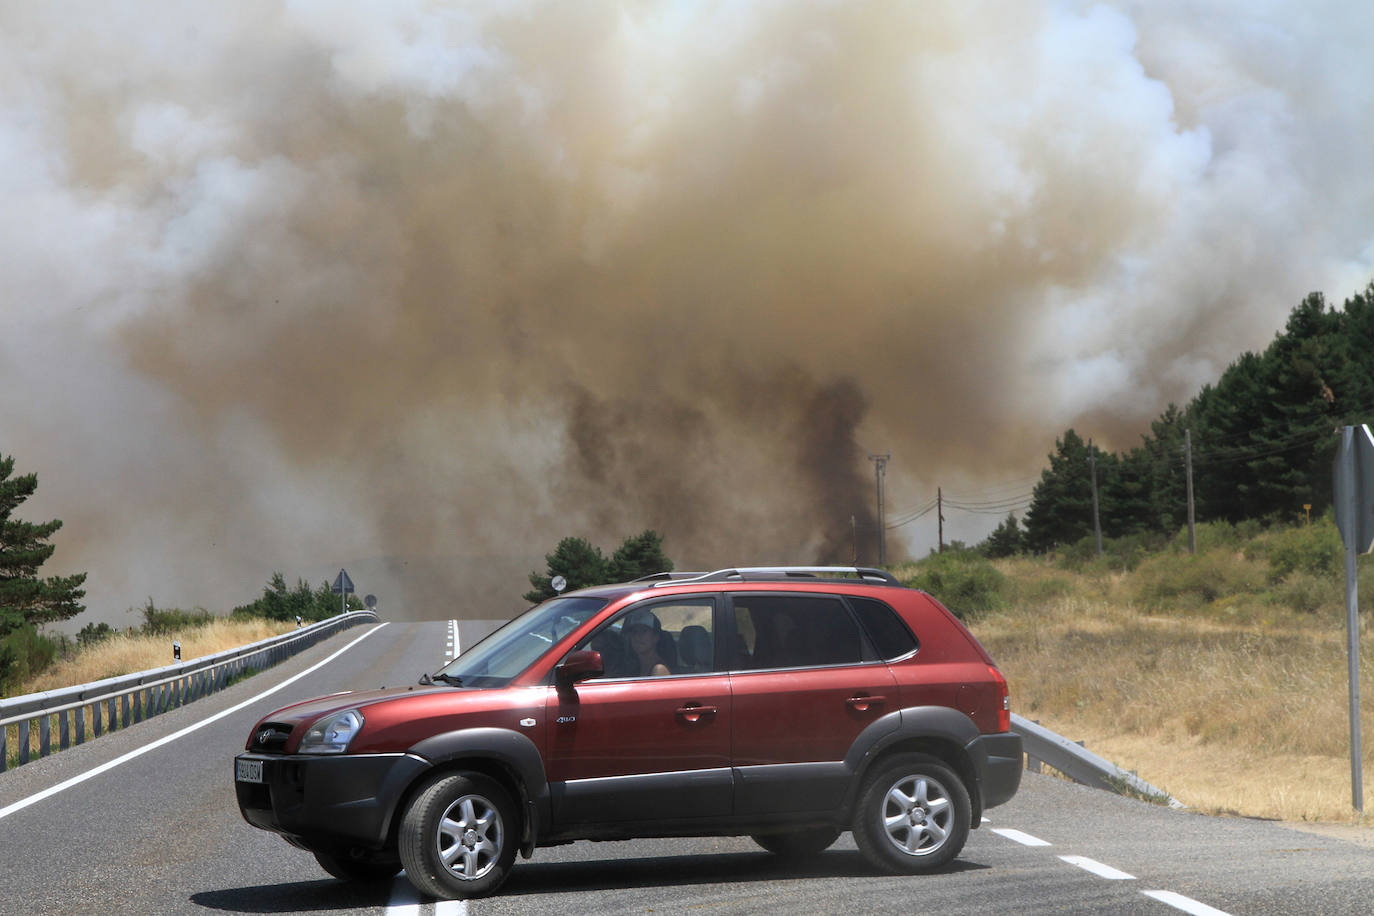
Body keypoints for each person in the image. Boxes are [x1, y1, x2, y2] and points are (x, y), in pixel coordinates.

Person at [623, 610, 670, 676]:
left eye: (644, 631)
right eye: (634, 632)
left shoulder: (659, 670)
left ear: (656, 637)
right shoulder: (634, 667)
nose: (637, 636)